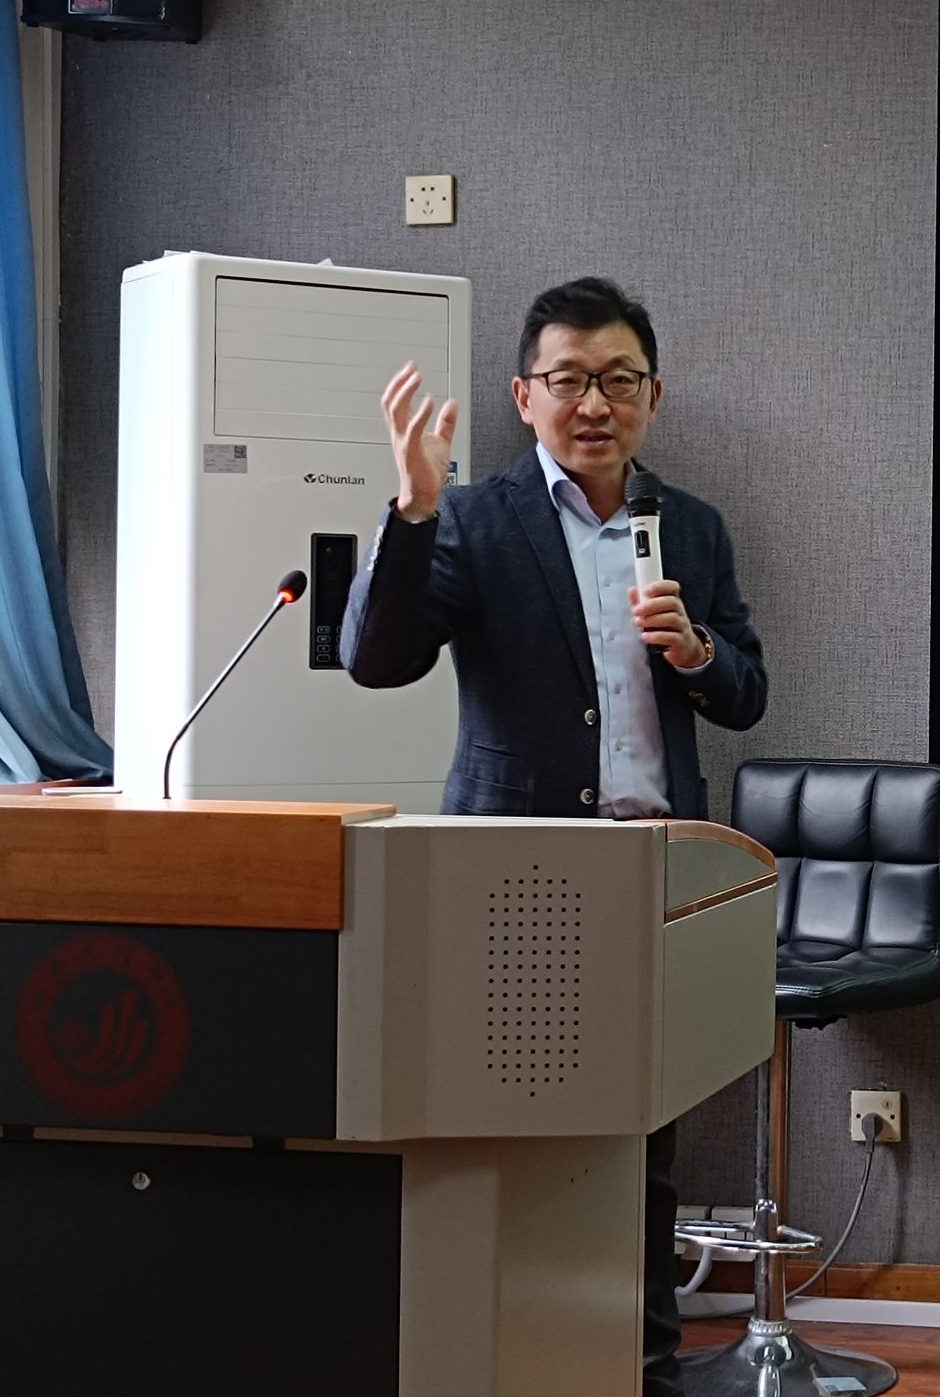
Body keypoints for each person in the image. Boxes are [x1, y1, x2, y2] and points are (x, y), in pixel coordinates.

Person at [341, 276, 768, 1397]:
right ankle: (500, 1361)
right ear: (523, 396)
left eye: (618, 380)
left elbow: (746, 691)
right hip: (509, 874)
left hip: (653, 873)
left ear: (652, 398)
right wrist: (413, 507)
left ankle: (646, 1369)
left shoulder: (693, 527)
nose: (594, 404)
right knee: (502, 1135)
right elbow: (375, 658)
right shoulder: (473, 518)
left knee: (643, 1145)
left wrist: (697, 654)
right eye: (568, 379)